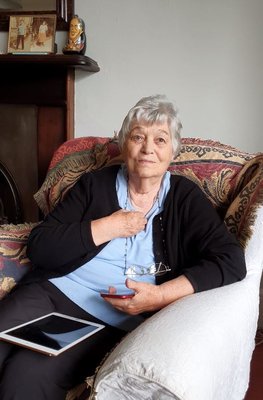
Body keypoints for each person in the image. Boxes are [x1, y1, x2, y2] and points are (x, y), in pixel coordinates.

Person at [0, 95, 246, 399]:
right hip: (54, 293)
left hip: (109, 319)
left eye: (160, 139)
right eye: (138, 136)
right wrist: (109, 226)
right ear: (124, 143)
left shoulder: (185, 198)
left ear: (173, 151)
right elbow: (41, 246)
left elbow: (231, 261)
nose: (147, 148)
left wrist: (158, 296)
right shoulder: (95, 185)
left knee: (26, 376)